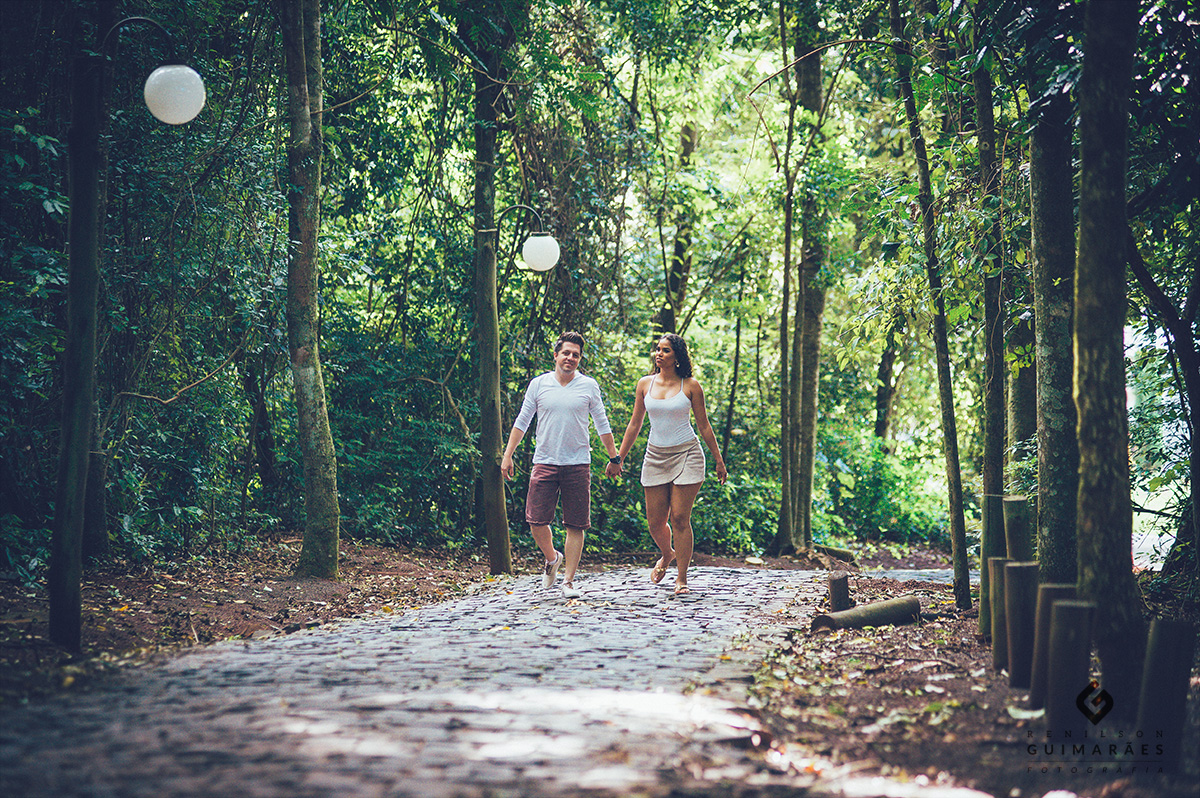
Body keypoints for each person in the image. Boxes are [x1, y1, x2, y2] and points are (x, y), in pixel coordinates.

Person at [501, 331, 621, 598]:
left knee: (575, 524)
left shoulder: (588, 386)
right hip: (544, 460)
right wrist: (508, 455)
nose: (570, 358)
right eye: (566, 353)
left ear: (580, 359)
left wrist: (614, 457)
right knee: (535, 521)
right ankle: (552, 557)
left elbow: (602, 424)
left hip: (578, 463)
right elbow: (523, 421)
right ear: (555, 355)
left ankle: (568, 581)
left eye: (575, 355)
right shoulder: (538, 384)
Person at [605, 333, 727, 596]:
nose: (659, 354)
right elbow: (635, 424)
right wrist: (618, 458)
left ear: (677, 356)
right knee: (655, 522)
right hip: (656, 456)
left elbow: (704, 425)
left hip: (688, 454)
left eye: (666, 350)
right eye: (658, 350)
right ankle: (667, 553)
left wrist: (718, 460)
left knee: (680, 518)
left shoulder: (691, 385)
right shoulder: (644, 384)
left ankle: (681, 578)